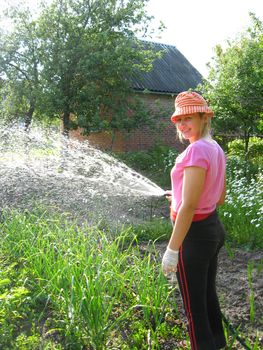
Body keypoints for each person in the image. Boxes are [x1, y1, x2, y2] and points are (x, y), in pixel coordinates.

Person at [162, 91, 227, 350]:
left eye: (188, 118)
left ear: (203, 117)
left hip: (194, 236)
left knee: (193, 306)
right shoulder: (215, 148)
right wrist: (175, 198)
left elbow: (188, 206)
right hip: (212, 228)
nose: (183, 125)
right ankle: (218, 343)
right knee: (207, 295)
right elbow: (218, 197)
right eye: (179, 120)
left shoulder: (195, 151)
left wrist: (172, 249)